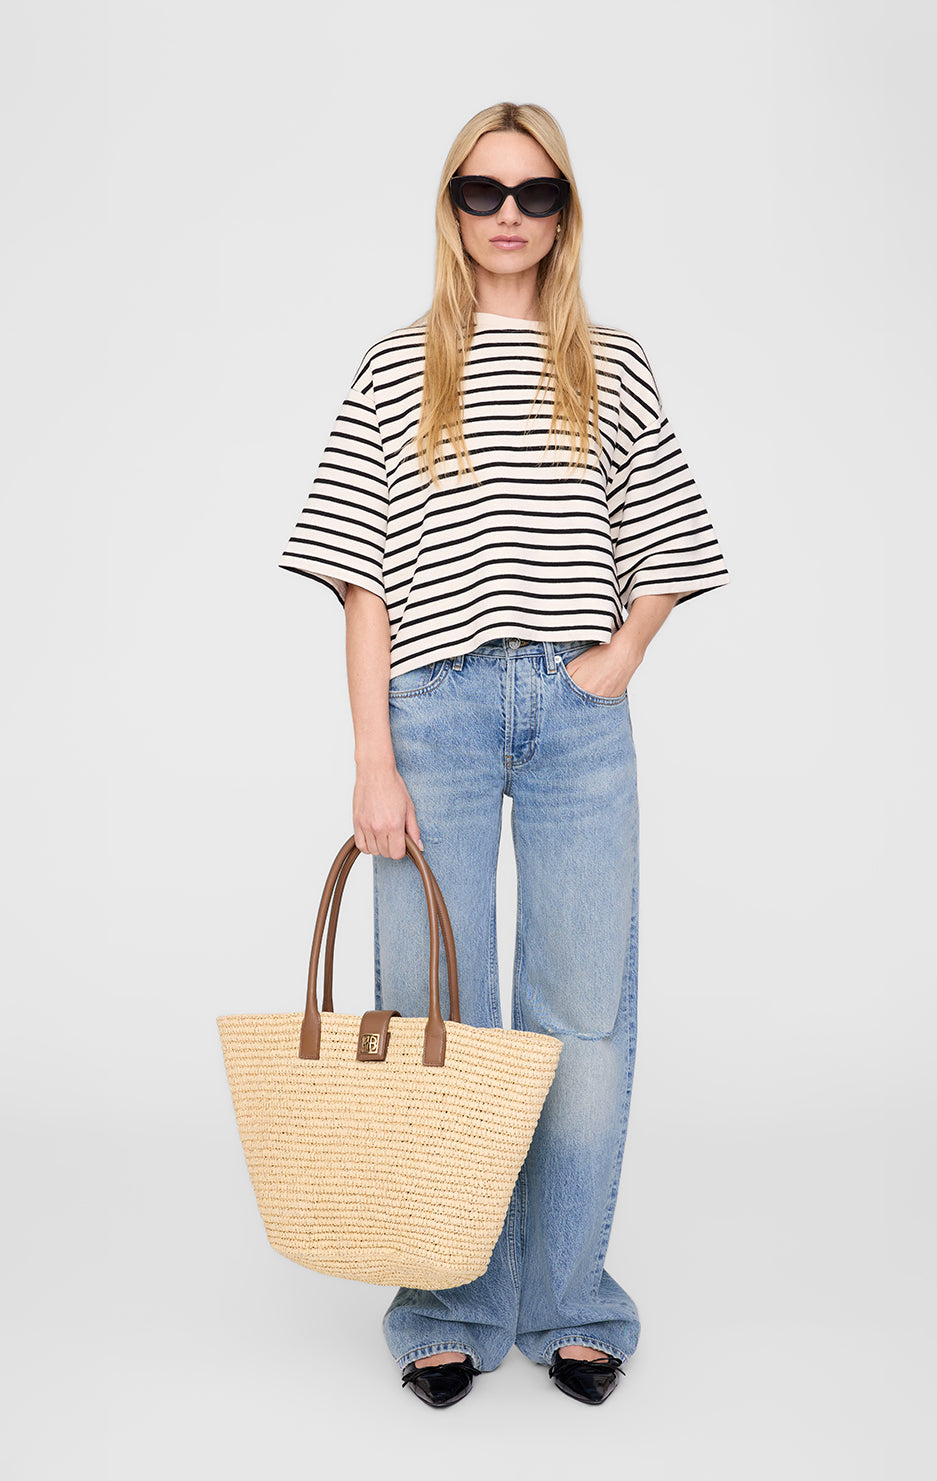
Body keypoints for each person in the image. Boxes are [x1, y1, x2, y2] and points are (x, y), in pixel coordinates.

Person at [277, 101, 730, 1407]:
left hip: (577, 716)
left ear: (565, 212)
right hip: (435, 711)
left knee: (580, 1015)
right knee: (434, 1008)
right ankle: (446, 1299)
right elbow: (360, 578)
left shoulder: (610, 363)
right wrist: (372, 759)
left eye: (537, 193)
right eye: (483, 191)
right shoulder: (398, 366)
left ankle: (571, 1298)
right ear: (452, 207)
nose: (510, 215)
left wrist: (620, 658)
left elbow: (671, 530)